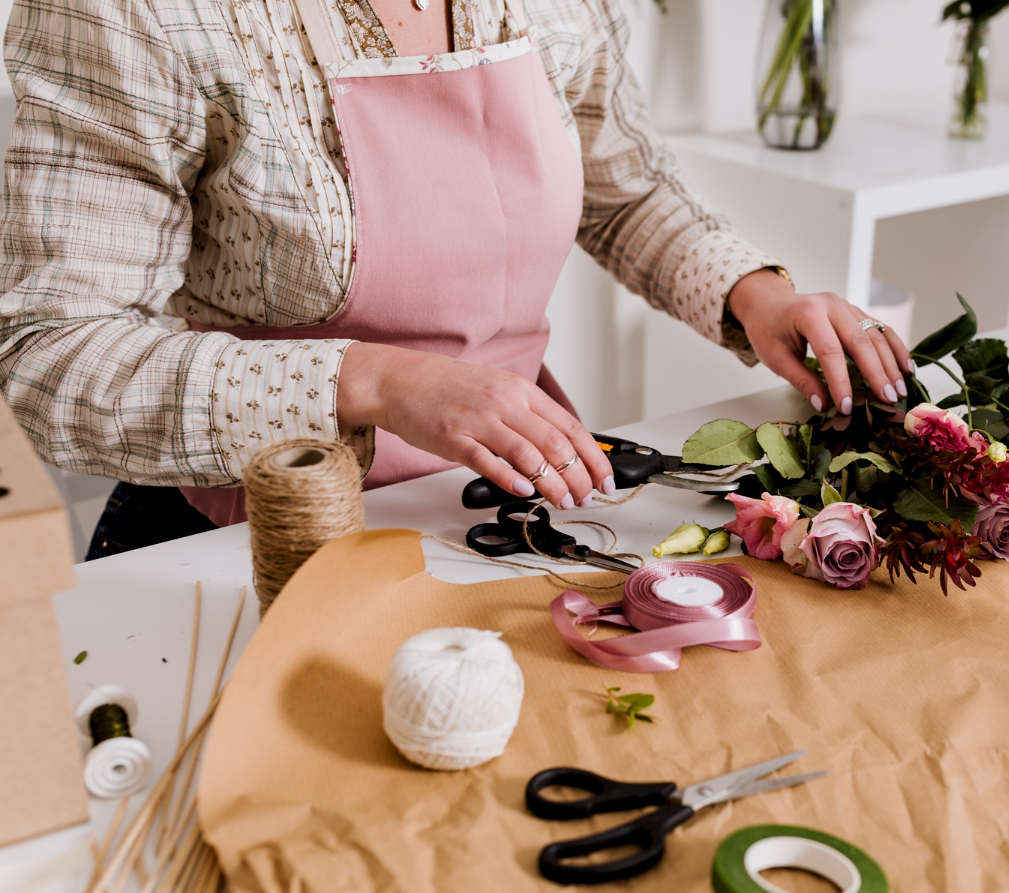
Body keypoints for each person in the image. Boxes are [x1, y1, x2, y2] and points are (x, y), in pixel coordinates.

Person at [0, 0, 912, 558]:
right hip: (253, 533)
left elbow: (623, 194)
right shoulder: (130, 10)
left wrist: (755, 294)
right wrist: (375, 380)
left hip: (507, 512)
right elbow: (49, 358)